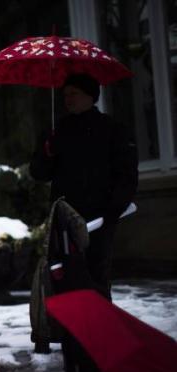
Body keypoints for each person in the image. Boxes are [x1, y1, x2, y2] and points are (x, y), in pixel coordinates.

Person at [30, 73, 138, 300]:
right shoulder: (57, 130)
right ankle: (72, 332)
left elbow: (126, 175)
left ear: (90, 96)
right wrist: (46, 153)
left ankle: (99, 330)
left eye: (74, 94)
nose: (68, 99)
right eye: (65, 94)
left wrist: (112, 211)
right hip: (65, 218)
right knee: (66, 278)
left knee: (96, 277)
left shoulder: (112, 129)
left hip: (99, 218)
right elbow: (39, 173)